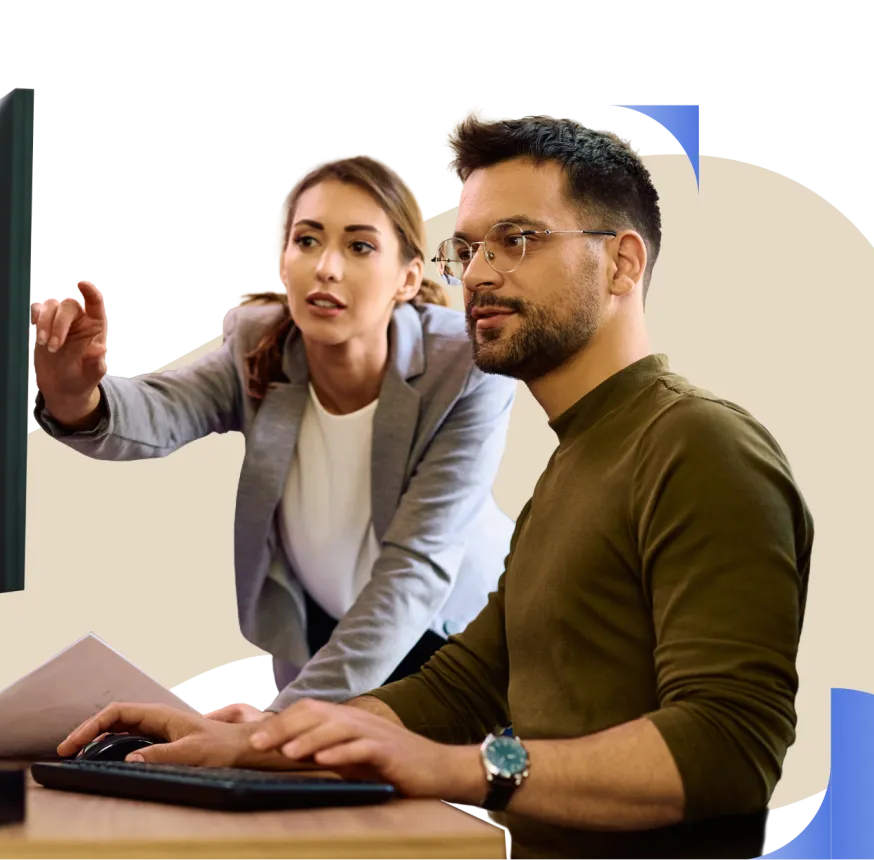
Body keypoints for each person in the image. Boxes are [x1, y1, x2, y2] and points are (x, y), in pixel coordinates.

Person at [57, 109, 815, 860]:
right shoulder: (572, 463)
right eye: (470, 248)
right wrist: (264, 738)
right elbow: (465, 686)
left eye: (516, 240)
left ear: (621, 263)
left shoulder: (700, 444)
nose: (480, 273)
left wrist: (462, 768)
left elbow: (730, 748)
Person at [31, 153, 518, 714]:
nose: (326, 267)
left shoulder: (464, 367)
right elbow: (157, 413)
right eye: (307, 241)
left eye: (359, 246)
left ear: (407, 277)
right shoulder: (260, 345)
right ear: (282, 262)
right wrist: (75, 396)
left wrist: (275, 721)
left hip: (456, 645)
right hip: (325, 641)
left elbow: (415, 569)